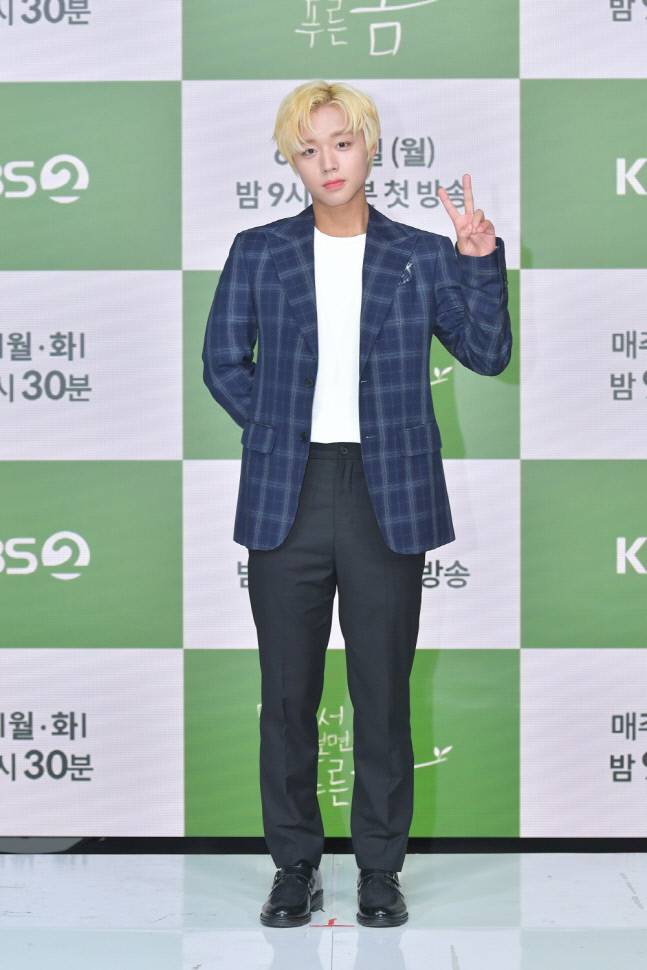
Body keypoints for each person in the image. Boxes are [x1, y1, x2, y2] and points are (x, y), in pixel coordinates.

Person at [202, 80, 512, 928]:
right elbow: (222, 362)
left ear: (370, 147)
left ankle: (379, 870)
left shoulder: (422, 253)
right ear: (291, 162)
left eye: (341, 142)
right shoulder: (259, 250)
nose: (327, 162)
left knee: (381, 694)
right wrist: (280, 430)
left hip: (387, 495)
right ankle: (293, 867)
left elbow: (486, 353)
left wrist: (478, 261)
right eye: (308, 149)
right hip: (289, 491)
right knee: (286, 696)